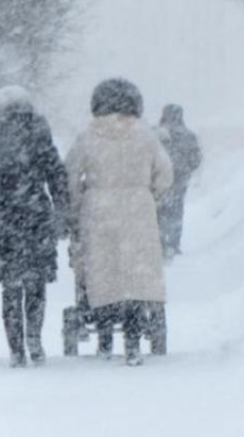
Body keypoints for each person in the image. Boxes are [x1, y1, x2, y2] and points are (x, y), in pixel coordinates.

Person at [66, 78, 173, 366]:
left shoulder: (87, 137)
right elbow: (165, 174)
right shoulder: (146, 136)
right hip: (138, 210)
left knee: (103, 273)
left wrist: (76, 209)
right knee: (135, 277)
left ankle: (104, 339)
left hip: (98, 210)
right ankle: (133, 341)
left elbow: (72, 177)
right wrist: (151, 194)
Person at [0, 86, 70, 368]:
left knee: (11, 286)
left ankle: (15, 348)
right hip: (36, 215)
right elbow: (57, 176)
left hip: (3, 218)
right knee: (36, 283)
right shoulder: (39, 132)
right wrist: (61, 214)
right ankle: (35, 340)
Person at [157, 104, 203, 259]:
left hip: (159, 180)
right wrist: (186, 169)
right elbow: (196, 159)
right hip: (180, 180)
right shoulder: (189, 135)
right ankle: (174, 244)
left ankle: (160, 242)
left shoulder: (157, 134)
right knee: (176, 211)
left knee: (160, 211)